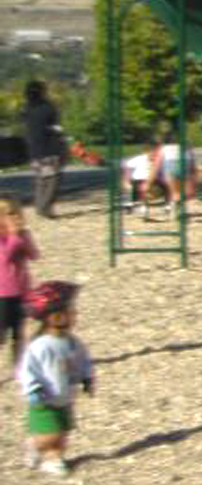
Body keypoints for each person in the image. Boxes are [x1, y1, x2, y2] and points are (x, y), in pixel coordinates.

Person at [15, 281, 90, 477]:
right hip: (44, 399)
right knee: (50, 435)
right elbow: (27, 369)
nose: (75, 315)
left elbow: (82, 359)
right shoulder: (40, 346)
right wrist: (32, 389)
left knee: (63, 434)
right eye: (71, 311)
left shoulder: (72, 342)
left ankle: (54, 456)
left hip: (64, 397)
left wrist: (86, 377)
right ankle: (43, 453)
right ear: (55, 317)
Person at [0, 197, 39, 365]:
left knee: (19, 331)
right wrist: (14, 237)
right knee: (1, 333)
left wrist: (25, 238)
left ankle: (19, 366)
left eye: (17, 213)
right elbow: (5, 257)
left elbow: (34, 255)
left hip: (21, 291)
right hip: (3, 293)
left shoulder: (23, 234)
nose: (15, 218)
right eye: (10, 214)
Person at [21, 82, 63, 220]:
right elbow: (55, 127)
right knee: (52, 180)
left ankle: (39, 206)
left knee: (40, 179)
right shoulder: (48, 107)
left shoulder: (27, 108)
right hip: (49, 148)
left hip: (33, 150)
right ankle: (45, 207)